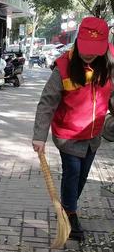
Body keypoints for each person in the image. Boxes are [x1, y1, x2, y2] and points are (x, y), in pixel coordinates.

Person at [32, 17, 114, 240]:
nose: (89, 54)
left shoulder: (109, 64)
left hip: (93, 135)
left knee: (82, 176)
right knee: (73, 173)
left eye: (95, 49)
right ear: (78, 42)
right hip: (68, 134)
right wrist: (39, 136)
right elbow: (47, 102)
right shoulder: (64, 68)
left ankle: (69, 206)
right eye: (85, 48)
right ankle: (70, 213)